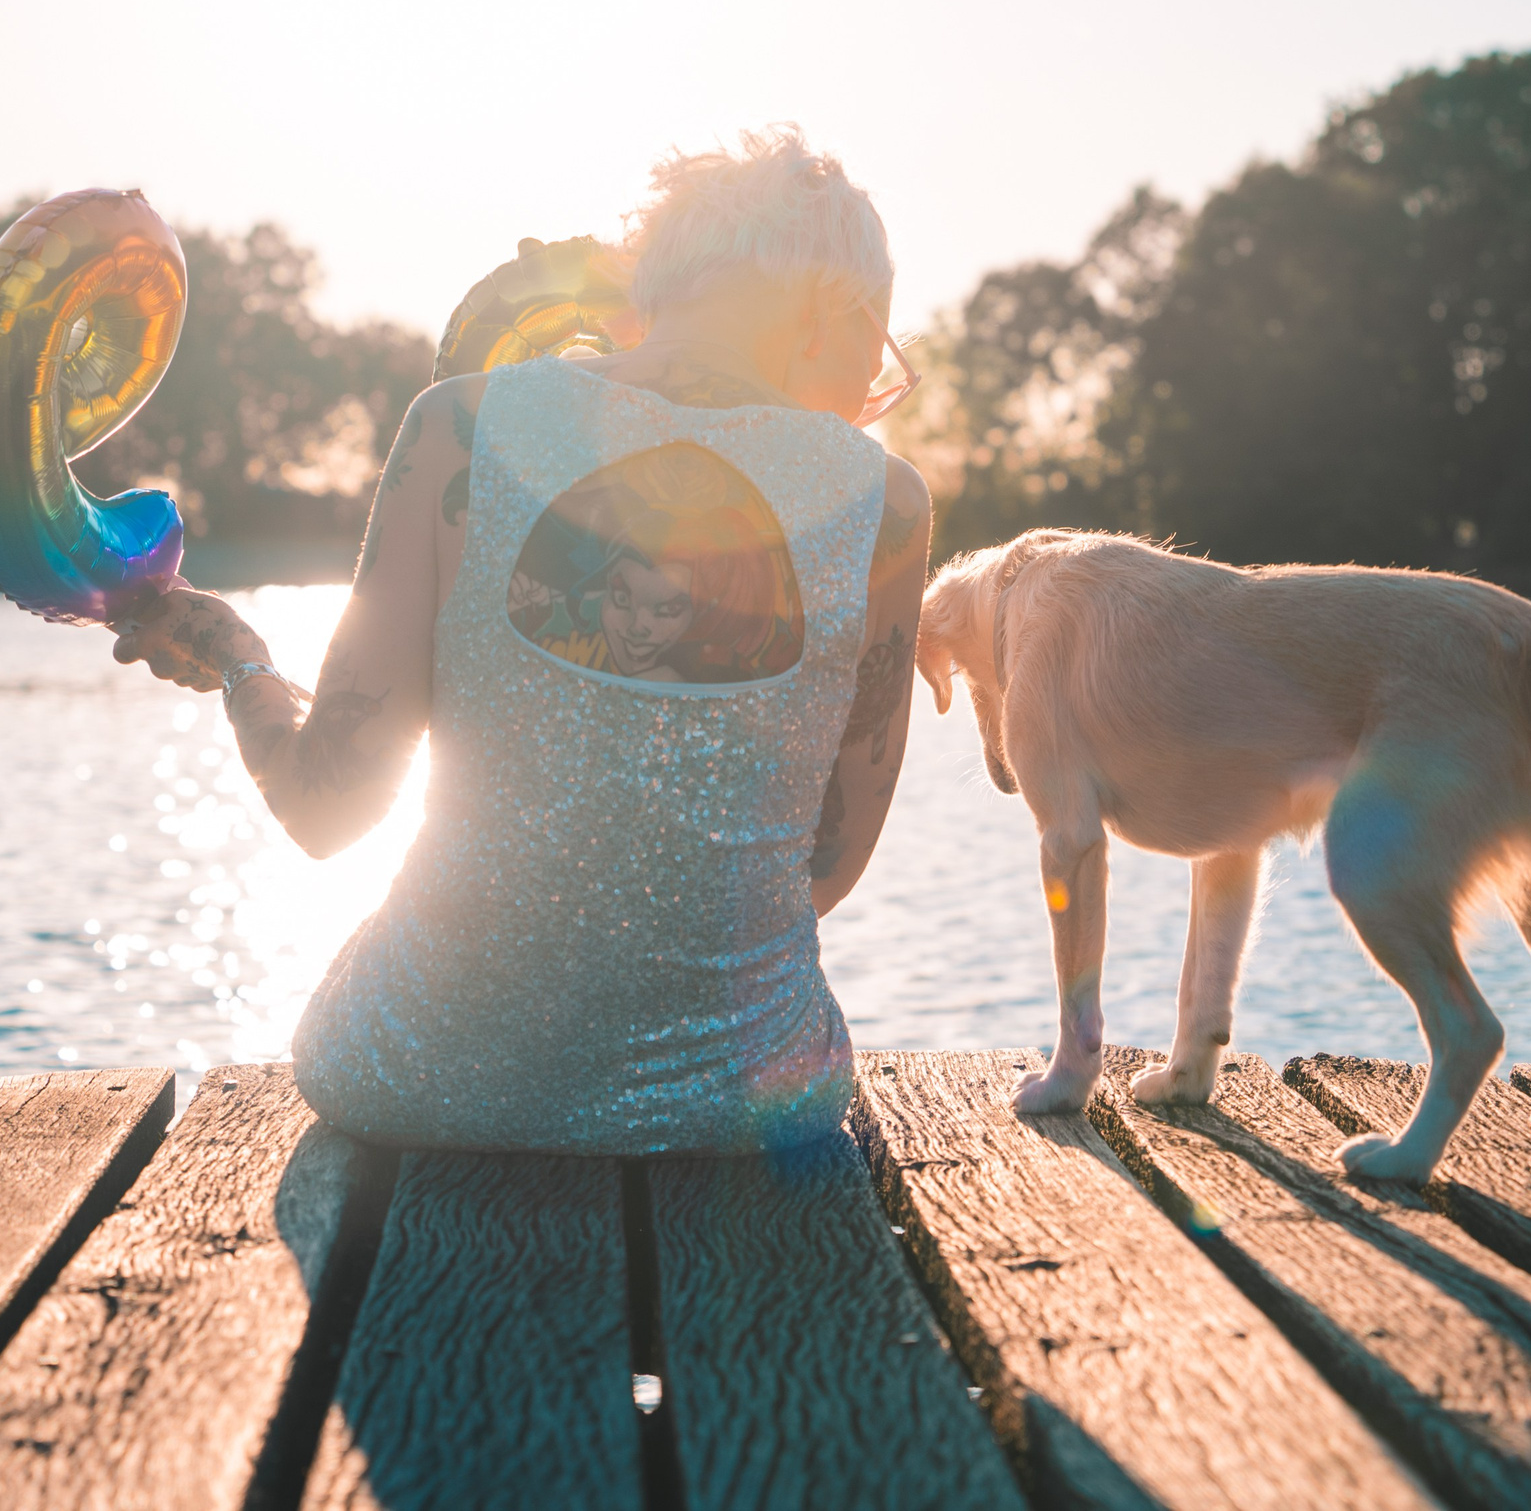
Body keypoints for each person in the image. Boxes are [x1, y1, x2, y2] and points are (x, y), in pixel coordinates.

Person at [110, 128, 933, 1154]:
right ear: (829, 313)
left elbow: (329, 807)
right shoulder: (885, 504)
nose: (872, 388)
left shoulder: (459, 426)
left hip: (406, 1072)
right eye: (881, 351)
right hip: (740, 1105)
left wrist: (241, 662)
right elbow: (823, 867)